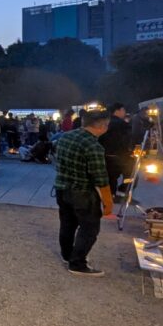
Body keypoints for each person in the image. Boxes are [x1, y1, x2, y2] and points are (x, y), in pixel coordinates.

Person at [53, 110, 114, 277]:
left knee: (67, 224)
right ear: (102, 126)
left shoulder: (65, 137)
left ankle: (67, 255)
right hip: (82, 193)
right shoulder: (93, 146)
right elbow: (100, 178)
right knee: (89, 228)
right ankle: (77, 263)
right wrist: (107, 202)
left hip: (61, 188)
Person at [98, 103, 133, 196]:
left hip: (105, 155)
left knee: (110, 177)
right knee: (130, 174)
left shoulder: (103, 123)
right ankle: (123, 190)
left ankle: (111, 195)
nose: (125, 112)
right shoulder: (123, 124)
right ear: (118, 111)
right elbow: (128, 140)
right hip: (120, 156)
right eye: (123, 110)